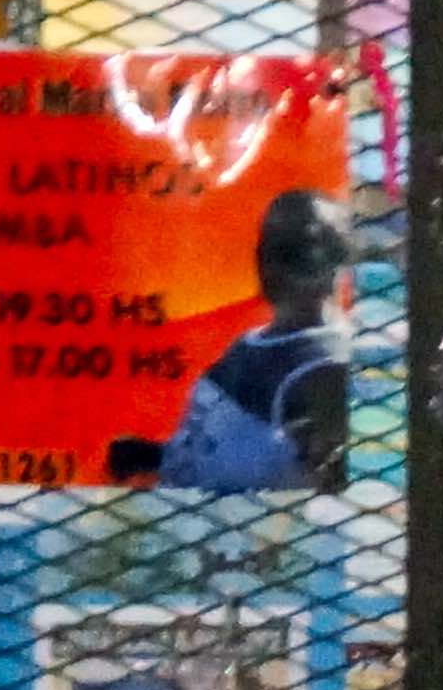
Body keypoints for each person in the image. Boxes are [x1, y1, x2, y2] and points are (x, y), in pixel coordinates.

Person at [142, 188, 350, 492]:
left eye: (295, 250)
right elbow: (214, 452)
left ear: (337, 260)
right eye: (270, 247)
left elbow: (321, 493)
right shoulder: (250, 343)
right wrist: (151, 456)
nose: (272, 264)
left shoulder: (324, 369)